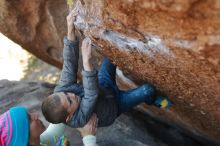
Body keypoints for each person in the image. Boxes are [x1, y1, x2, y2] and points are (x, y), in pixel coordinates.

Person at [41, 10, 171, 128]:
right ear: (69, 116)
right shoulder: (78, 120)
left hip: (104, 85)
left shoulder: (61, 91)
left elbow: (69, 64)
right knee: (148, 90)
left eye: (66, 93)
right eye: (70, 101)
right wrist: (87, 62)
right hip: (115, 106)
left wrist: (70, 29)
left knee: (112, 52)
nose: (71, 94)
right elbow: (91, 95)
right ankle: (151, 100)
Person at [0, 106, 98, 146]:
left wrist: (63, 111)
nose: (36, 116)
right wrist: (88, 137)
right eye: (29, 119)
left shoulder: (38, 142)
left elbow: (52, 135)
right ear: (25, 138)